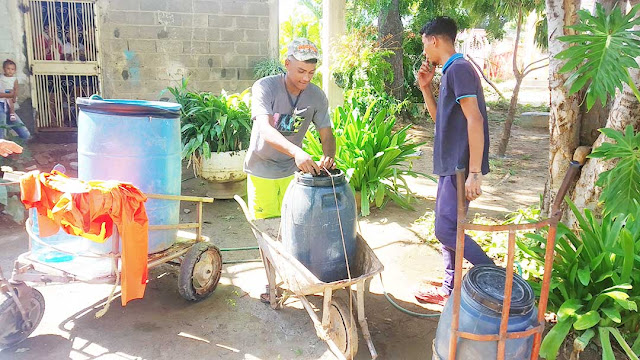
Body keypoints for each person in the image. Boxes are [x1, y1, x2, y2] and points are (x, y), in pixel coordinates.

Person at [413, 17, 494, 306]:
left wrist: (474, 173)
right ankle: (450, 290)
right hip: (451, 165)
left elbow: (475, 119)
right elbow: (441, 123)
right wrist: (425, 88)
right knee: (449, 226)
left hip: (460, 168)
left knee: (445, 229)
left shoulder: (459, 69)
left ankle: (497, 278)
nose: (425, 53)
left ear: (434, 40)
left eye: (424, 44)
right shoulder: (450, 71)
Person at [243, 38, 336, 220]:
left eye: (311, 72)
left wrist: (329, 156)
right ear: (287, 64)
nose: (306, 78)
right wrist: (297, 152)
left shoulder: (317, 96)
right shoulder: (265, 87)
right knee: (266, 229)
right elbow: (265, 129)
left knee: (293, 224)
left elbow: (327, 134)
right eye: (301, 71)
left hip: (293, 173)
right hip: (262, 169)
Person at [0, 59, 30, 140]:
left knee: (25, 134)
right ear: (4, 69)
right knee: (1, 132)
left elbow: (15, 90)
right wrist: (9, 94)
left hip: (9, 105)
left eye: (12, 69)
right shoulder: (1, 78)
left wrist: (13, 96)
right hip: (1, 105)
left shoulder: (14, 79)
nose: (10, 71)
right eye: (8, 69)